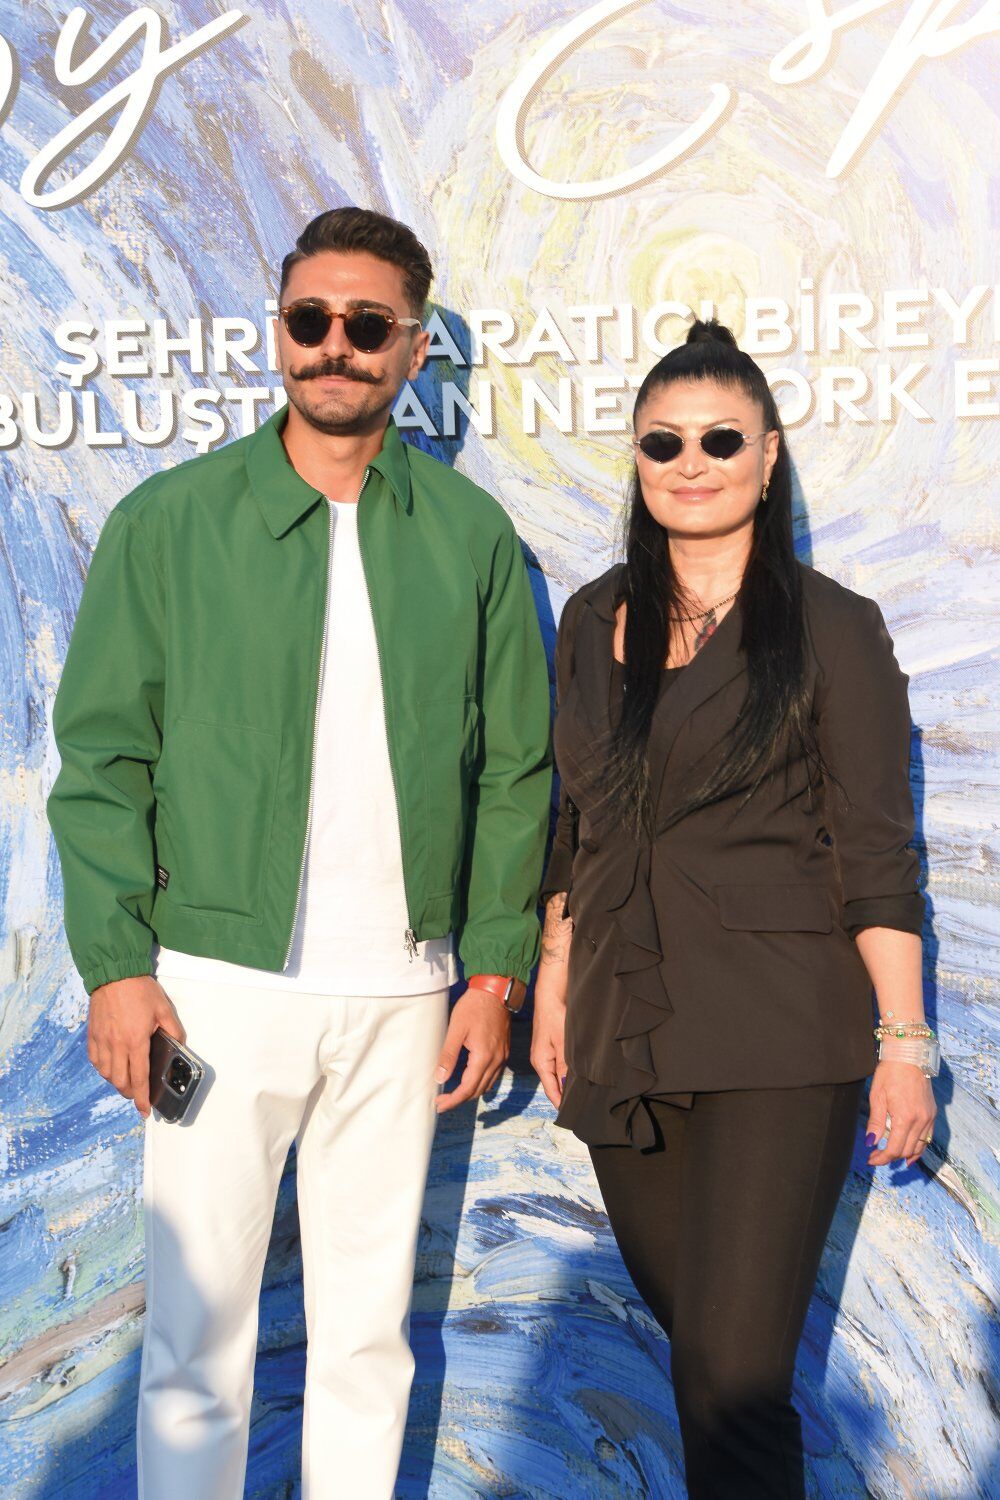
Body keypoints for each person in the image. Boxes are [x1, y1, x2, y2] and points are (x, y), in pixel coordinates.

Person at [46, 206, 552, 1499]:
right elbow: (101, 763)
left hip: (403, 999)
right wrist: (117, 970)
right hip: (214, 994)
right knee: (193, 1342)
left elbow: (516, 772)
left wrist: (493, 972)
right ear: (278, 331)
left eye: (367, 324)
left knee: (368, 1344)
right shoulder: (170, 523)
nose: (336, 344)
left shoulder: (470, 538)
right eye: (311, 318)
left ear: (413, 348)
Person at [530, 320, 936, 1499]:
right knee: (704, 1370)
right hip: (622, 1030)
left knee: (737, 1377)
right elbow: (576, 818)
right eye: (663, 442)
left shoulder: (831, 625)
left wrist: (903, 1043)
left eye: (720, 439)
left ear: (767, 457)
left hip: (776, 1033)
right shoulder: (591, 617)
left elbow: (875, 849)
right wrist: (553, 979)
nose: (691, 463)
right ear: (636, 459)